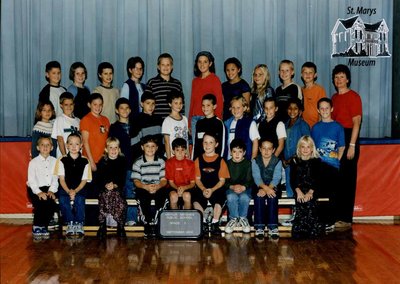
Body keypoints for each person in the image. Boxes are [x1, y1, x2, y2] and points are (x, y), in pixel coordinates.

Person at [331, 64, 362, 229]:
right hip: (337, 139)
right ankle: (336, 215)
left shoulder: (354, 97)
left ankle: (346, 218)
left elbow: (357, 122)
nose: (339, 80)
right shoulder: (334, 98)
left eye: (342, 76)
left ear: (348, 79)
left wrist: (352, 145)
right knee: (337, 178)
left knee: (348, 179)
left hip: (350, 137)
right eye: (336, 77)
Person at [311, 97, 345, 231]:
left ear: (331, 109)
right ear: (318, 110)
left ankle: (330, 220)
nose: (324, 110)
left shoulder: (338, 127)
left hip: (332, 166)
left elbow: (342, 146)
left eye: (327, 108)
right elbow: (312, 147)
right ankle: (319, 219)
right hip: (318, 166)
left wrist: (337, 161)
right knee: (319, 193)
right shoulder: (315, 128)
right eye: (322, 108)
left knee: (331, 194)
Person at [54, 133, 92, 236]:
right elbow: (61, 179)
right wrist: (68, 191)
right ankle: (70, 223)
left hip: (80, 188)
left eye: (77, 144)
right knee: (63, 199)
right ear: (66, 145)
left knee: (79, 199)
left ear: (81, 145)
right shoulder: (61, 160)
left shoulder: (85, 161)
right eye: (71, 144)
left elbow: (84, 180)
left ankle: (79, 223)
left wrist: (75, 191)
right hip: (65, 188)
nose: (74, 147)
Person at [193, 132, 230, 235]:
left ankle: (215, 222)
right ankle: (203, 223)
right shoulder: (198, 160)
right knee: (195, 200)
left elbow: (222, 181)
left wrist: (212, 190)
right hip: (202, 188)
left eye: (210, 142)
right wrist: (204, 189)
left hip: (216, 188)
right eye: (205, 142)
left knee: (220, 199)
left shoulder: (221, 160)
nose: (207, 145)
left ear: (216, 144)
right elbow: (197, 179)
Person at [132, 135, 168, 237]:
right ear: (142, 147)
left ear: (157, 148)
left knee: (162, 195)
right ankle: (147, 222)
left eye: (153, 146)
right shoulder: (137, 162)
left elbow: (164, 180)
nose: (150, 149)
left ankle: (157, 221)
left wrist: (157, 186)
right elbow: (136, 181)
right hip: (143, 186)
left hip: (158, 186)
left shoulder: (161, 162)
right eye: (147, 146)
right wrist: (146, 187)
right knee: (143, 197)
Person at [109, 97, 137, 226]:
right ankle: (118, 217)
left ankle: (131, 219)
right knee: (119, 191)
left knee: (131, 190)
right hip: (119, 165)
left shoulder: (135, 126)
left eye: (127, 108)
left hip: (133, 164)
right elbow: (112, 147)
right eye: (121, 108)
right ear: (116, 110)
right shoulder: (114, 128)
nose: (124, 110)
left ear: (130, 110)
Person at [290, 135, 324, 239]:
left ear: (312, 148)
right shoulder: (295, 161)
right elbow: (292, 179)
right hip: (299, 189)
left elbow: (318, 180)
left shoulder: (317, 162)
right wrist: (298, 191)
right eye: (303, 146)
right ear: (299, 148)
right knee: (300, 201)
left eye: (308, 147)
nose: (305, 149)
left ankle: (312, 228)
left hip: (313, 189)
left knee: (309, 202)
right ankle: (300, 229)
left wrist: (310, 192)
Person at [96, 137, 127, 239]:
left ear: (119, 149)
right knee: (104, 196)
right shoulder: (102, 161)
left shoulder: (122, 161)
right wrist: (106, 185)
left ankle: (120, 226)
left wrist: (114, 185)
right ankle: (102, 225)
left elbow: (122, 178)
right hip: (104, 188)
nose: (113, 150)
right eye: (111, 147)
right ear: (106, 149)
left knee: (119, 198)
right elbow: (99, 178)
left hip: (117, 187)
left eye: (116, 148)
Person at [27, 137, 58, 238]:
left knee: (50, 202)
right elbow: (31, 180)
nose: (45, 147)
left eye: (48, 145)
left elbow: (55, 179)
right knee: (40, 202)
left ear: (52, 147)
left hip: (50, 188)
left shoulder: (55, 162)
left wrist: (52, 191)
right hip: (35, 188)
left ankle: (44, 225)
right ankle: (37, 225)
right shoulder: (33, 162)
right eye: (42, 145)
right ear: (37, 147)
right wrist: (38, 192)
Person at [188, 51, 223, 139]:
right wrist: (189, 122)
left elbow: (219, 102)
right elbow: (192, 102)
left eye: (205, 62)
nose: (202, 64)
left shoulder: (215, 79)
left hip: (208, 118)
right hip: (195, 119)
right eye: (199, 62)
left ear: (210, 63)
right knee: (196, 146)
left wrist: (217, 120)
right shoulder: (195, 81)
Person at [252, 138, 282, 239]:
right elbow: (256, 178)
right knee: (259, 197)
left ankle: (273, 226)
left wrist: (269, 189)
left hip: (273, 186)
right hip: (259, 185)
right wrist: (264, 189)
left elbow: (277, 177)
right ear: (260, 149)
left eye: (269, 149)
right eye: (264, 148)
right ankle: (259, 227)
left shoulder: (277, 161)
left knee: (272, 197)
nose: (266, 151)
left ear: (273, 150)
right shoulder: (255, 161)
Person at [224, 138, 253, 234]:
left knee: (244, 197)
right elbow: (224, 181)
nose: (237, 154)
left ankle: (243, 218)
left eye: (240, 152)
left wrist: (243, 187)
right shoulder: (227, 164)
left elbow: (250, 180)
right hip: (231, 188)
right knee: (231, 197)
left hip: (245, 188)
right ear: (231, 152)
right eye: (234, 151)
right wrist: (232, 187)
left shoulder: (248, 163)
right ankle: (233, 219)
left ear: (244, 153)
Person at [283, 98, 310, 198]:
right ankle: (293, 212)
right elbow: (282, 143)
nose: (292, 111)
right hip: (287, 164)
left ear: (300, 111)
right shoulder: (284, 125)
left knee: (299, 187)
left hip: (299, 163)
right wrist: (283, 159)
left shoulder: (303, 125)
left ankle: (299, 212)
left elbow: (308, 144)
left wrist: (294, 158)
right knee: (290, 187)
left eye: (295, 108)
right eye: (290, 108)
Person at [144, 53, 184, 120]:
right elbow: (146, 103)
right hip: (156, 121)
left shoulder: (177, 84)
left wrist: (181, 119)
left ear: (172, 67)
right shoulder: (152, 82)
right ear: (158, 67)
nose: (165, 67)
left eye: (168, 65)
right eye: (163, 65)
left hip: (173, 121)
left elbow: (182, 104)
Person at [80, 93, 110, 173]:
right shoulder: (86, 119)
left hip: (103, 160)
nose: (98, 107)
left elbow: (107, 140)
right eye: (95, 104)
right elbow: (85, 142)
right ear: (89, 105)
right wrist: (91, 162)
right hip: (91, 160)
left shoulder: (105, 119)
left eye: (100, 104)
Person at [130, 92, 164, 162]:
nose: (151, 106)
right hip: (142, 159)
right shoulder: (137, 120)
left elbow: (162, 141)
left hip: (157, 157)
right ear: (142, 104)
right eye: (148, 103)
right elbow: (134, 144)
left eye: (153, 103)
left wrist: (160, 156)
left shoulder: (159, 119)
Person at [224, 96, 260, 161]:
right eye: (233, 107)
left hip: (245, 161)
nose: (235, 110)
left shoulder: (250, 123)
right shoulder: (227, 123)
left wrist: (252, 161)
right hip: (230, 160)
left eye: (238, 108)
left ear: (244, 108)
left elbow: (255, 143)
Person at [192, 94, 226, 160]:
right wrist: (194, 161)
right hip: (200, 161)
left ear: (214, 106)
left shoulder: (219, 123)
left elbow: (222, 146)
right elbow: (195, 145)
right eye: (203, 105)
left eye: (208, 105)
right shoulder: (199, 123)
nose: (205, 108)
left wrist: (218, 162)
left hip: (213, 161)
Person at [165, 138, 196, 210]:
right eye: (177, 150)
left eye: (182, 150)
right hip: (173, 187)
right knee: (173, 196)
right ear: (173, 151)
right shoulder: (169, 163)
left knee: (187, 195)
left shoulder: (191, 163)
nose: (180, 153)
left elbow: (193, 183)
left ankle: (187, 218)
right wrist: (178, 189)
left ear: (185, 150)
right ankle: (175, 218)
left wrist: (184, 188)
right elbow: (171, 182)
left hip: (187, 187)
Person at [51, 92, 80, 157]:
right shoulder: (60, 119)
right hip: (65, 156)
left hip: (77, 156)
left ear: (74, 104)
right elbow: (60, 139)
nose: (69, 107)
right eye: (66, 105)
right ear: (61, 105)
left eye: (71, 104)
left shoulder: (78, 121)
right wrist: (65, 156)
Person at [162, 91, 189, 159]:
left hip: (183, 155)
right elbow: (166, 142)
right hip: (173, 156)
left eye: (180, 103)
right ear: (170, 104)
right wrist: (169, 160)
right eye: (176, 103)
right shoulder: (167, 121)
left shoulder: (185, 119)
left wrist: (188, 154)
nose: (179, 105)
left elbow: (187, 139)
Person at [300, 62, 327, 128]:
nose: (307, 74)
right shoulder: (300, 90)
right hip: (303, 126)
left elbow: (323, 109)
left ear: (315, 75)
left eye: (310, 72)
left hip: (316, 125)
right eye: (305, 72)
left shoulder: (319, 90)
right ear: (301, 75)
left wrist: (319, 126)